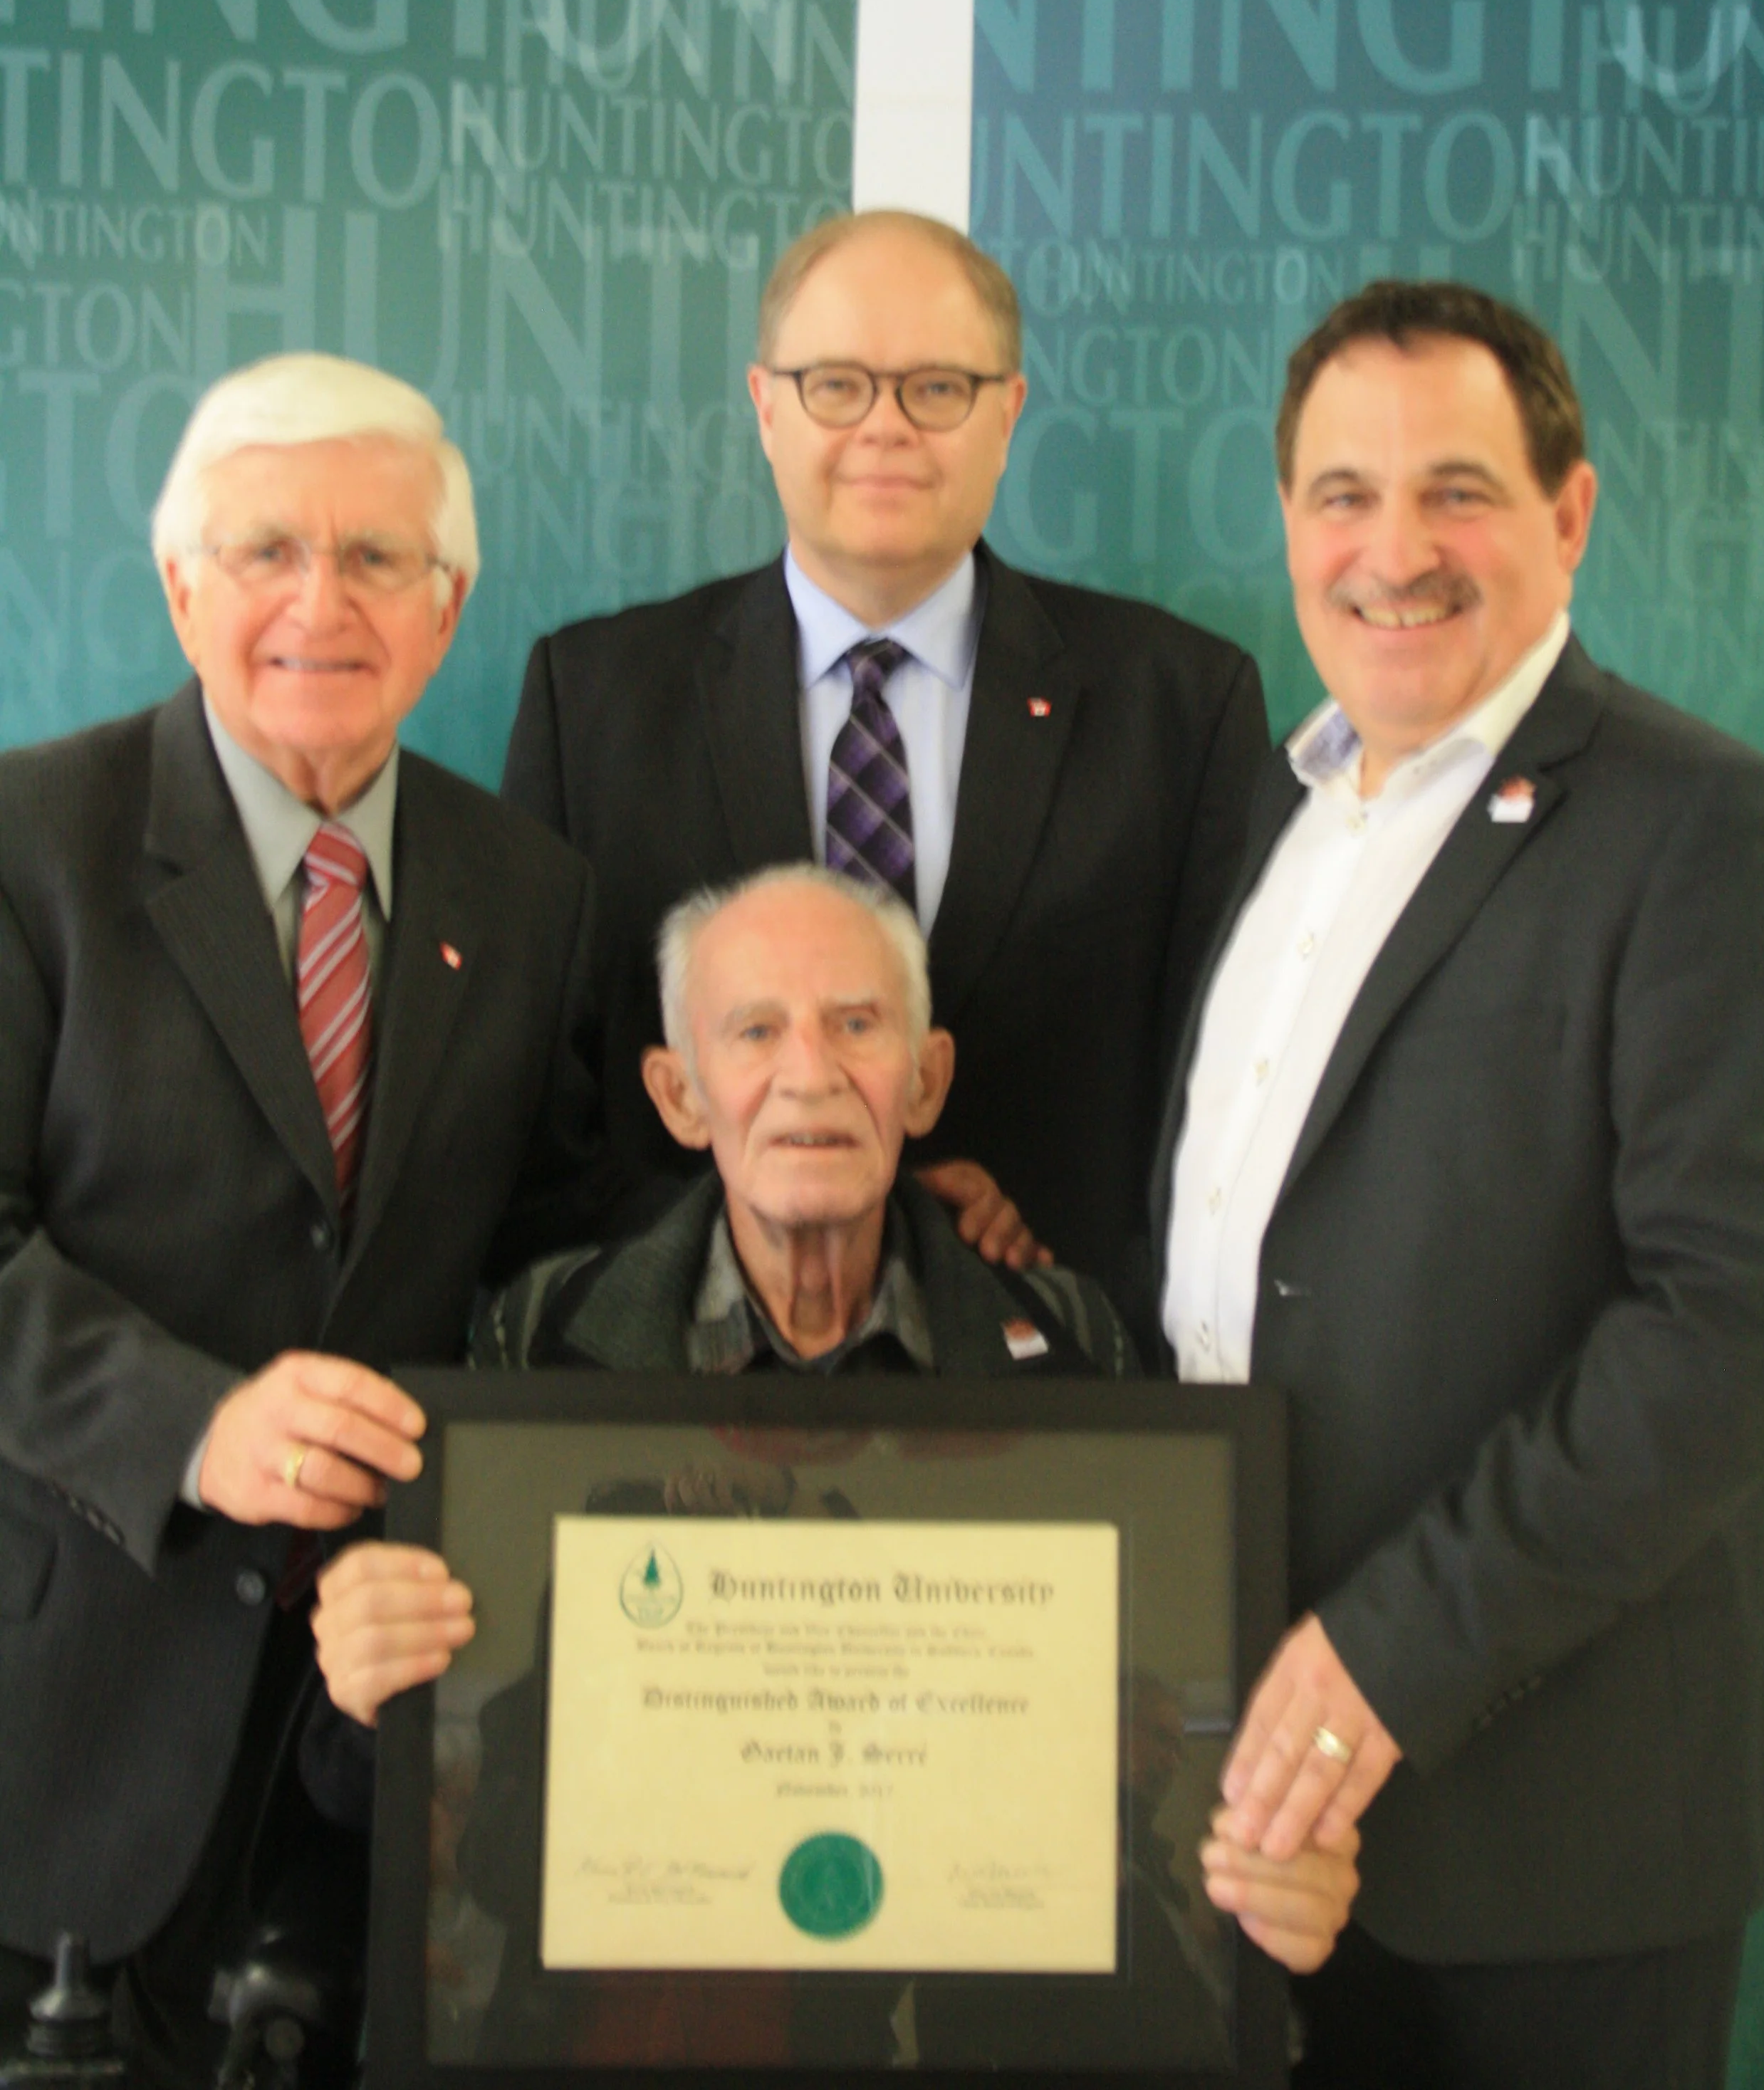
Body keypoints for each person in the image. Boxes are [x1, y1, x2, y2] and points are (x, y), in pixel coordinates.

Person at [313, 864, 1359, 2022]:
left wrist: (1266, 1862)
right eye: (754, 1029)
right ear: (679, 1094)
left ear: (923, 1080)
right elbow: (427, 1791)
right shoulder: (535, 1344)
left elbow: (1130, 1746)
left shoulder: (1074, 1348)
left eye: (857, 1024)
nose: (810, 1074)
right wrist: (374, 1704)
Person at [1152, 279, 1764, 2089]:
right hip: (1251, 1823)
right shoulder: (1279, 817)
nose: (1391, 550)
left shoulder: (1698, 833)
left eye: (1457, 490)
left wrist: (1381, 1663)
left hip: (1537, 1843)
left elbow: (1730, 1323)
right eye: (1341, 495)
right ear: (1286, 526)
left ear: (1568, 515)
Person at [0, 355, 613, 2086]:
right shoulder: (28, 842)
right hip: (66, 1739)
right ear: (182, 588)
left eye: (374, 559)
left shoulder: (534, 893)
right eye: (266, 552)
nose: (317, 604)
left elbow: (549, 1262)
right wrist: (200, 1424)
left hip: (396, 1738)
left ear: (449, 607)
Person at [501, 209, 1269, 1340]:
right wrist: (762, 1237)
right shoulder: (597, 698)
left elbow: (1228, 1099)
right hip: (689, 1392)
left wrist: (1043, 1268)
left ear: (1007, 413)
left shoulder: (1181, 705)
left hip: (1064, 1386)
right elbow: (542, 1110)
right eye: (838, 385)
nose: (887, 427)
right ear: (766, 408)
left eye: (937, 388)